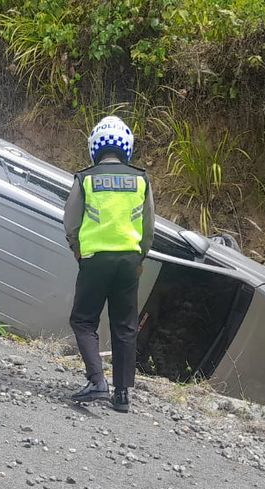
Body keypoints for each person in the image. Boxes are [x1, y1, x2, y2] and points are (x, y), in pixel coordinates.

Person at [63, 116, 155, 413]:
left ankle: (96, 381)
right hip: (129, 260)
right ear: (126, 147)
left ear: (95, 147)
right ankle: (123, 395)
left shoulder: (86, 178)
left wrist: (77, 250)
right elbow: (149, 226)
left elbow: (71, 220)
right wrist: (139, 256)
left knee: (83, 320)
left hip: (94, 259)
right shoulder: (141, 179)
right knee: (125, 326)